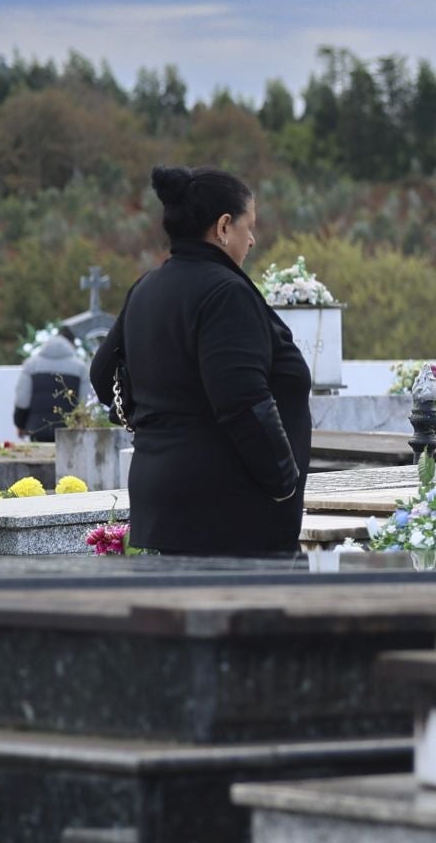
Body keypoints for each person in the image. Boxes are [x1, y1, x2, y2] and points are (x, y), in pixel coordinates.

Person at [92, 166, 311, 556]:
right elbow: (241, 401)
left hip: (161, 502)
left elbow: (102, 374)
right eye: (249, 226)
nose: (253, 240)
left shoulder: (148, 287)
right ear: (224, 227)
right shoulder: (225, 293)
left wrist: (160, 431)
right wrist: (284, 484)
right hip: (232, 516)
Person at [14, 327, 91, 442]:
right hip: (69, 432)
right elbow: (84, 403)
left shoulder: (31, 365)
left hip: (37, 429)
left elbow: (22, 399)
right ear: (72, 344)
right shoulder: (81, 368)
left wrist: (20, 424)